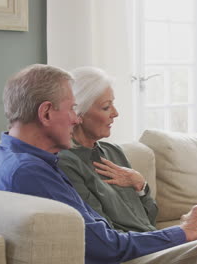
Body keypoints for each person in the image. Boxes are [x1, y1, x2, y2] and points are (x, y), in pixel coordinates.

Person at [0, 64, 197, 264]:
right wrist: (184, 232)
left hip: (126, 245)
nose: (76, 119)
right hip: (118, 256)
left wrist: (143, 190)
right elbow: (105, 247)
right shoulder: (31, 171)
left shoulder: (8, 158)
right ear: (46, 113)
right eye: (73, 109)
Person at [58, 67, 156, 233]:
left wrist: (140, 185)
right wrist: (178, 235)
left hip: (154, 240)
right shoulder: (67, 163)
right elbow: (105, 234)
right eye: (106, 107)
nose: (116, 113)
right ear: (78, 113)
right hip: (135, 251)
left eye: (113, 105)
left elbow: (149, 219)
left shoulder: (114, 152)